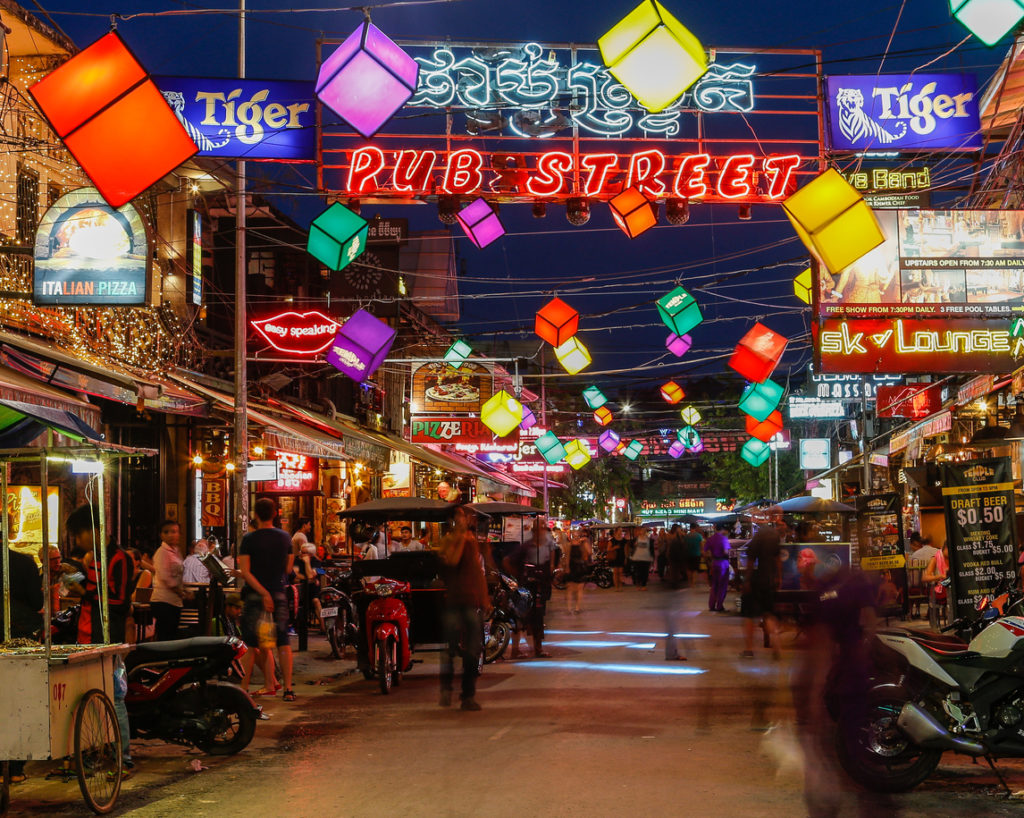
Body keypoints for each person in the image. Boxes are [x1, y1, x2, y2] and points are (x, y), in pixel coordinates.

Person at [239, 498, 295, 701]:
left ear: (255, 515)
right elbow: (288, 569)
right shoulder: (285, 538)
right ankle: (288, 689)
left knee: (250, 643)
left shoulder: (249, 539)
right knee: (283, 641)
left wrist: (263, 593)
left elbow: (245, 572)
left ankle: (243, 689)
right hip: (279, 593)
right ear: (274, 514)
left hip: (255, 595)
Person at [437, 506, 488, 710]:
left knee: (473, 650)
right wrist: (461, 539)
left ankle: (468, 695)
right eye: (459, 518)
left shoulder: (472, 541)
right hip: (454, 600)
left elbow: (478, 572)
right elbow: (452, 560)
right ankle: (446, 688)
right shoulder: (449, 541)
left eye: (464, 518)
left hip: (471, 600)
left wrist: (485, 599)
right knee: (449, 648)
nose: (462, 521)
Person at [0, 547, 43, 783]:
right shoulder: (23, 562)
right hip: (17, 639)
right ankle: (15, 768)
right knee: (17, 700)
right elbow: (37, 601)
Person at [68, 505, 135, 645]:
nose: (78, 541)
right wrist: (77, 576)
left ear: (95, 531)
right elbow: (96, 588)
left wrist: (83, 592)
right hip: (86, 631)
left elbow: (121, 602)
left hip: (104, 636)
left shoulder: (119, 559)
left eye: (79, 535)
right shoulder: (95, 556)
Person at [503, 517, 556, 659]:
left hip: (540, 587)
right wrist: (519, 577)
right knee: (520, 617)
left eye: (544, 528)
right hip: (526, 588)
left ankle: (538, 649)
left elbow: (550, 562)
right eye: (540, 528)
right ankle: (515, 650)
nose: (542, 531)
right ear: (534, 531)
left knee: (538, 618)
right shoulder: (526, 547)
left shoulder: (546, 546)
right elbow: (507, 561)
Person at [741, 516, 786, 659]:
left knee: (749, 616)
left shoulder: (757, 539)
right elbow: (778, 560)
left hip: (757, 579)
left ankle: (749, 649)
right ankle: (777, 646)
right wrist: (778, 577)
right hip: (770, 580)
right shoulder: (774, 538)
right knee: (769, 614)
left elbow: (750, 561)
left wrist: (747, 580)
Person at [151, 520, 185, 642]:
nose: (171, 535)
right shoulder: (162, 553)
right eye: (167, 532)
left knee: (171, 636)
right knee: (165, 638)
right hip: (163, 601)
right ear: (161, 535)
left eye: (174, 531)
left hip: (174, 602)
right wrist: (182, 593)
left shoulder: (176, 551)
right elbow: (167, 579)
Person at [922, 540, 950, 630]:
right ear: (945, 548)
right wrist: (940, 576)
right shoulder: (935, 558)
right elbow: (925, 578)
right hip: (940, 587)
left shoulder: (953, 558)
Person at [563, 532, 592, 615]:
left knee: (579, 588)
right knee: (570, 589)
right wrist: (567, 567)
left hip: (580, 567)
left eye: (577, 535)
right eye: (574, 535)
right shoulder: (569, 545)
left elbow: (590, 552)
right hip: (572, 567)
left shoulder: (582, 544)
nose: (576, 537)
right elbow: (567, 557)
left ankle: (577, 608)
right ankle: (569, 608)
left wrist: (587, 541)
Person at [705, 522, 731, 612]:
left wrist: (709, 560)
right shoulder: (724, 539)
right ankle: (719, 606)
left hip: (714, 563)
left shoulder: (710, 539)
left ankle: (711, 605)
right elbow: (725, 552)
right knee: (722, 585)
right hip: (723, 563)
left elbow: (705, 551)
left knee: (714, 585)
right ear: (723, 529)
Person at [666, 524, 686, 588]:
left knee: (676, 568)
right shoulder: (670, 535)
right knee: (673, 569)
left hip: (677, 553)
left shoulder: (680, 535)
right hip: (672, 553)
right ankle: (674, 582)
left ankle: (675, 581)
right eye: (679, 528)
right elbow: (669, 542)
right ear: (676, 529)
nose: (680, 529)